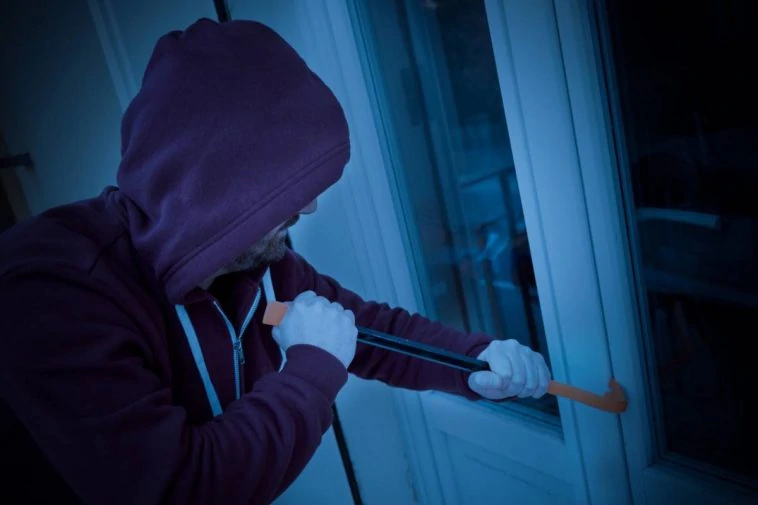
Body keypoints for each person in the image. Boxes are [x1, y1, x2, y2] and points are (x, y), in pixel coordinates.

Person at [0, 18, 550, 505]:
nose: (309, 205)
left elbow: (371, 332)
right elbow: (178, 488)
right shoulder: (53, 290)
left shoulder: (260, 267)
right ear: (217, 185)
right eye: (286, 188)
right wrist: (312, 370)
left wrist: (476, 363)